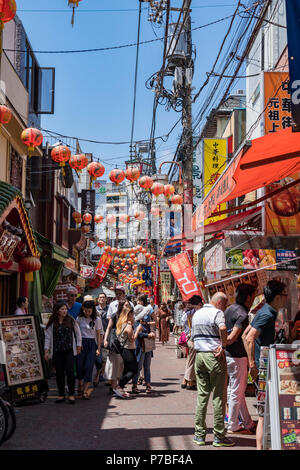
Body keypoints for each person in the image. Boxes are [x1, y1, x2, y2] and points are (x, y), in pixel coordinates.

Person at [243, 280, 287, 450]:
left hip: (264, 368)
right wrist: (253, 365)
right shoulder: (267, 314)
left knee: (265, 412)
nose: (286, 298)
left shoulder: (266, 312)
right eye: (284, 295)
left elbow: (245, 334)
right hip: (264, 370)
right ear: (277, 297)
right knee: (263, 414)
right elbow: (249, 337)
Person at [192, 292, 235, 447]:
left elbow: (193, 338)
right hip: (214, 356)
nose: (224, 309)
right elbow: (222, 328)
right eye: (225, 305)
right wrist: (223, 345)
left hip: (199, 356)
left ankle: (199, 435)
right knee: (218, 397)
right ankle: (218, 435)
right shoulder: (217, 313)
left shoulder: (197, 314)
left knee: (202, 397)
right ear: (219, 303)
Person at [224, 283, 257, 435]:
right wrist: (226, 341)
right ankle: (233, 425)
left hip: (229, 355)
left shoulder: (229, 309)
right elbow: (233, 336)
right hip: (238, 356)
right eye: (254, 296)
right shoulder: (243, 314)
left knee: (236, 390)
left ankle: (247, 422)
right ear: (248, 297)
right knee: (237, 391)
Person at [44, 301, 82, 404]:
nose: (64, 311)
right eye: (62, 309)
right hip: (57, 351)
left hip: (69, 350)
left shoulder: (71, 320)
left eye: (65, 309)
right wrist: (46, 351)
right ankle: (61, 394)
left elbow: (78, 334)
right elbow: (47, 337)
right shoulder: (52, 322)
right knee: (59, 373)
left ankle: (71, 394)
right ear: (57, 310)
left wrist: (78, 345)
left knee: (70, 372)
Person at [76, 300, 103, 400]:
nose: (87, 313)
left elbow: (98, 334)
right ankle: (80, 384)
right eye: (85, 311)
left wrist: (98, 348)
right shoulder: (79, 318)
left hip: (92, 344)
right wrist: (77, 344)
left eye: (89, 311)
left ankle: (85, 390)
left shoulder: (97, 319)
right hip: (81, 343)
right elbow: (76, 332)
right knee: (79, 366)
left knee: (89, 366)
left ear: (93, 310)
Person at [114, 304, 142, 398]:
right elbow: (132, 339)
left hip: (124, 349)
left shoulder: (121, 323)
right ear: (129, 315)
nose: (133, 316)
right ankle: (119, 386)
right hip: (128, 349)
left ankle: (120, 387)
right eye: (132, 314)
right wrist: (138, 330)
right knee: (134, 369)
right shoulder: (128, 326)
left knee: (126, 369)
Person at [131, 294, 156, 394]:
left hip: (148, 345)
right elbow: (137, 333)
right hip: (140, 345)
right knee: (138, 366)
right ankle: (134, 385)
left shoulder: (147, 317)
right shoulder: (136, 319)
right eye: (137, 301)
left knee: (147, 366)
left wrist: (149, 327)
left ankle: (148, 384)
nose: (137, 303)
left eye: (139, 301)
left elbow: (155, 321)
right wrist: (148, 335)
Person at [181, 296, 203, 391]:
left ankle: (185, 380)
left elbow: (182, 324)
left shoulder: (186, 313)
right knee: (192, 360)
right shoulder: (195, 313)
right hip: (193, 339)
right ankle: (190, 380)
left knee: (190, 359)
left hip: (188, 338)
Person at [94, 292, 109, 386]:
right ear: (98, 299)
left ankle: (100, 375)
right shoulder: (94, 310)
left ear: (106, 299)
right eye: (100, 297)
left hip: (106, 336)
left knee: (104, 358)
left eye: (103, 297)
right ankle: (99, 373)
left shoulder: (109, 309)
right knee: (97, 359)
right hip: (96, 336)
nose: (102, 299)